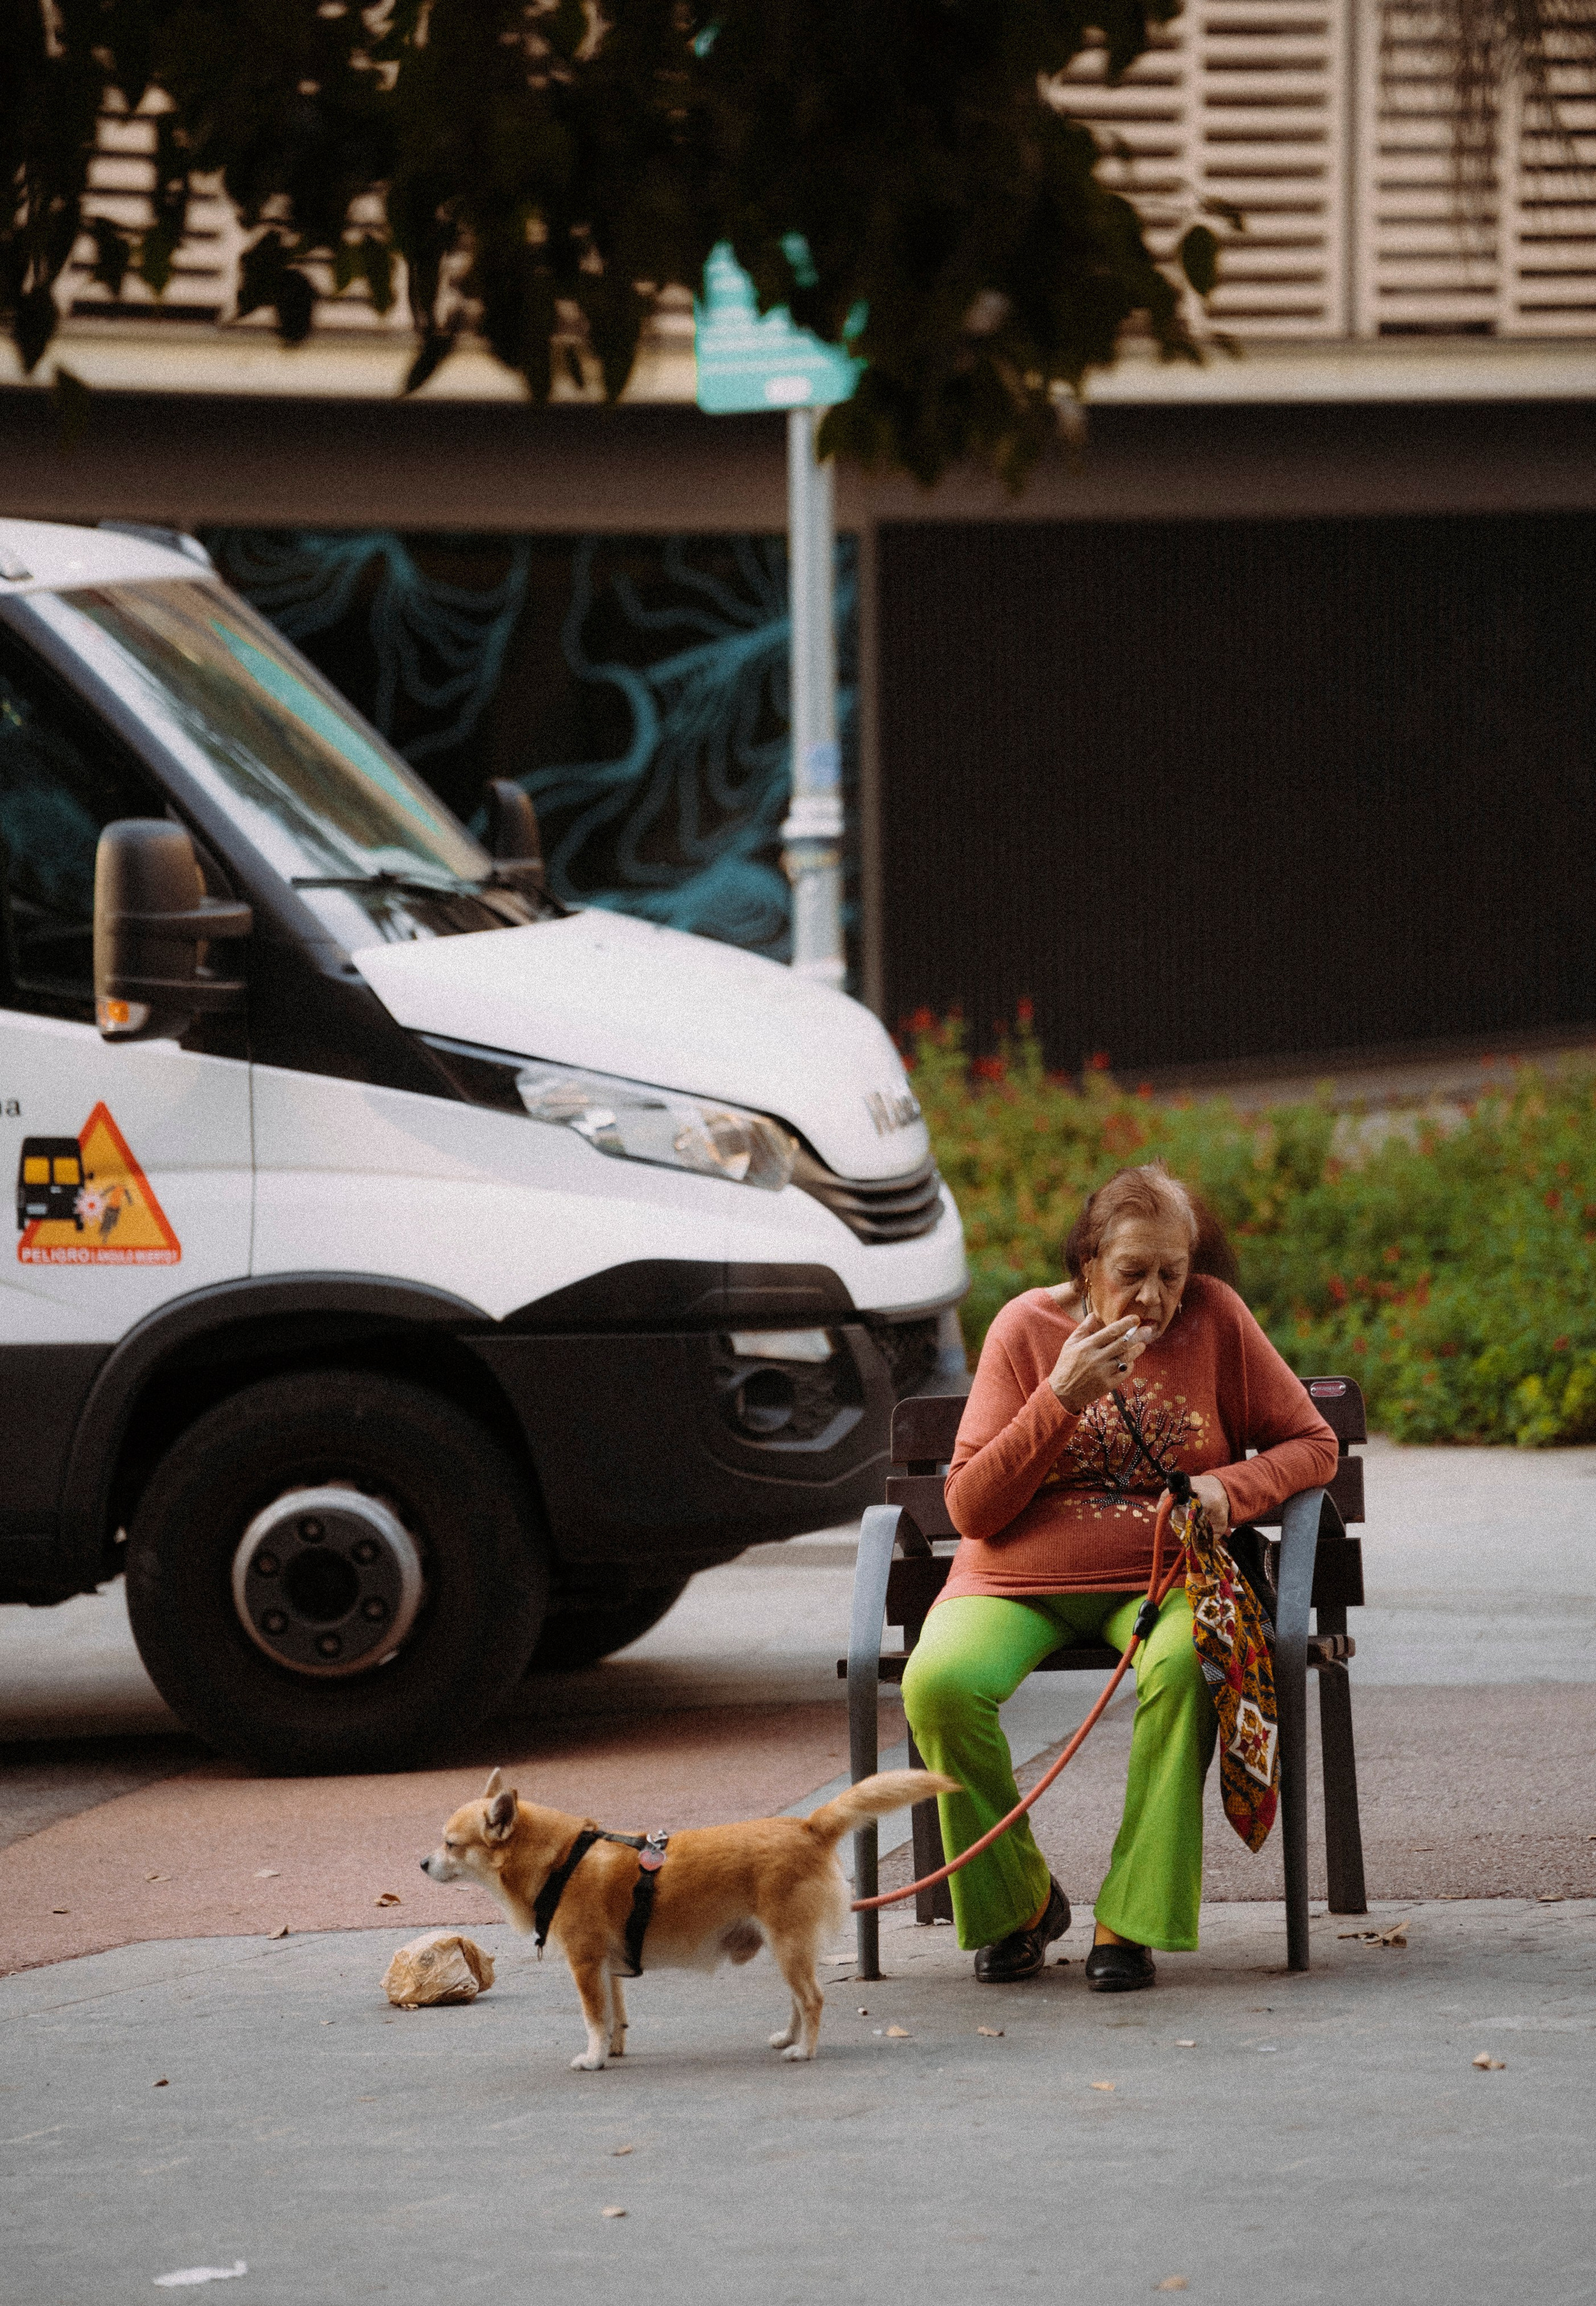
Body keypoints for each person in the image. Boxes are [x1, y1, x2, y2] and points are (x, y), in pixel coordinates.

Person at [901, 1162, 1338, 1992]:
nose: (1154, 1296)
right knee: (940, 1683)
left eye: (1173, 1273)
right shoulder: (1025, 1329)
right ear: (1087, 1265)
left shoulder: (1215, 1321)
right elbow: (969, 1508)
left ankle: (1129, 1923)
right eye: (1132, 1272)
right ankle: (1017, 1908)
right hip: (1014, 1580)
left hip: (1164, 1577)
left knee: (1185, 1667)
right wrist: (1059, 1397)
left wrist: (1229, 1488)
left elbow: (1312, 1444)